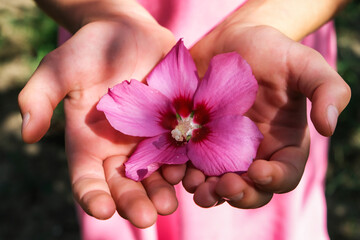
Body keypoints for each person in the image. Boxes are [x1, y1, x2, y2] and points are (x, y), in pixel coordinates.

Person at [19, 0, 351, 239]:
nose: (184, 127)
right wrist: (103, 10)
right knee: (135, 207)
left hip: (277, 48)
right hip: (121, 43)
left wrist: (269, 20)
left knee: (263, 204)